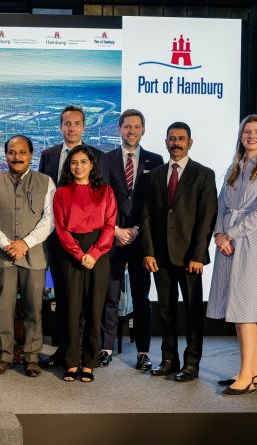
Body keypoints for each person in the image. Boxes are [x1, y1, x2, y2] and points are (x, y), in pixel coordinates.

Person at [207, 115, 257, 395]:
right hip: (228, 244)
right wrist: (219, 234)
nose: (251, 136)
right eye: (246, 131)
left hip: (253, 243)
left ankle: (245, 377)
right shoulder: (235, 167)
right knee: (240, 308)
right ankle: (253, 372)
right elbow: (220, 205)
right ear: (241, 136)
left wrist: (231, 234)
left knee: (246, 310)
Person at [140, 122, 217, 383]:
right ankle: (168, 360)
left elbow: (207, 218)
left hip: (190, 258)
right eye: (172, 139)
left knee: (193, 312)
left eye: (181, 139)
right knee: (165, 310)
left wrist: (198, 255)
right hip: (160, 257)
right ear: (166, 142)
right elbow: (146, 216)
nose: (176, 143)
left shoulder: (204, 174)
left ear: (190, 143)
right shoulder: (153, 176)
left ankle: (191, 364)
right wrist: (148, 252)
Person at [0, 135, 55, 377]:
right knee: (3, 308)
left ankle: (32, 358)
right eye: (12, 152)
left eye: (22, 152)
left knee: (34, 308)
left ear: (31, 155)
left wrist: (25, 243)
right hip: (2, 256)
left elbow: (50, 219)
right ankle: (4, 356)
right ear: (6, 156)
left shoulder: (46, 182)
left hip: (35, 255)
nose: (17, 157)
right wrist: (6, 244)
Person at [97, 109, 164, 370]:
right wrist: (115, 229)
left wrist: (137, 229)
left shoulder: (155, 160)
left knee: (141, 298)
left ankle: (143, 352)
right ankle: (105, 348)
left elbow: (156, 203)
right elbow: (100, 199)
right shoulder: (105, 159)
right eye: (127, 126)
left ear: (143, 130)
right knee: (110, 295)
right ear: (119, 129)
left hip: (141, 239)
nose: (131, 131)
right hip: (112, 237)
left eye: (136, 127)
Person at [37, 105, 102, 369]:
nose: (71, 128)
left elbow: (102, 196)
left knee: (86, 301)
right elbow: (42, 194)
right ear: (60, 126)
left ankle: (85, 353)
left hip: (88, 241)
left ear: (84, 127)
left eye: (76, 123)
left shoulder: (97, 155)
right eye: (67, 123)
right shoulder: (49, 155)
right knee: (64, 298)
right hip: (56, 237)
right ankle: (65, 350)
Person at [53, 145, 117, 382]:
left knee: (94, 308)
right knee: (70, 308)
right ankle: (71, 362)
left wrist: (95, 252)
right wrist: (79, 254)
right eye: (73, 162)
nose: (78, 166)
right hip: (70, 252)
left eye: (83, 162)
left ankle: (89, 362)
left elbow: (110, 225)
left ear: (92, 165)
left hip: (98, 252)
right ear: (68, 166)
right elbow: (61, 228)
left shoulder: (106, 191)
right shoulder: (61, 193)